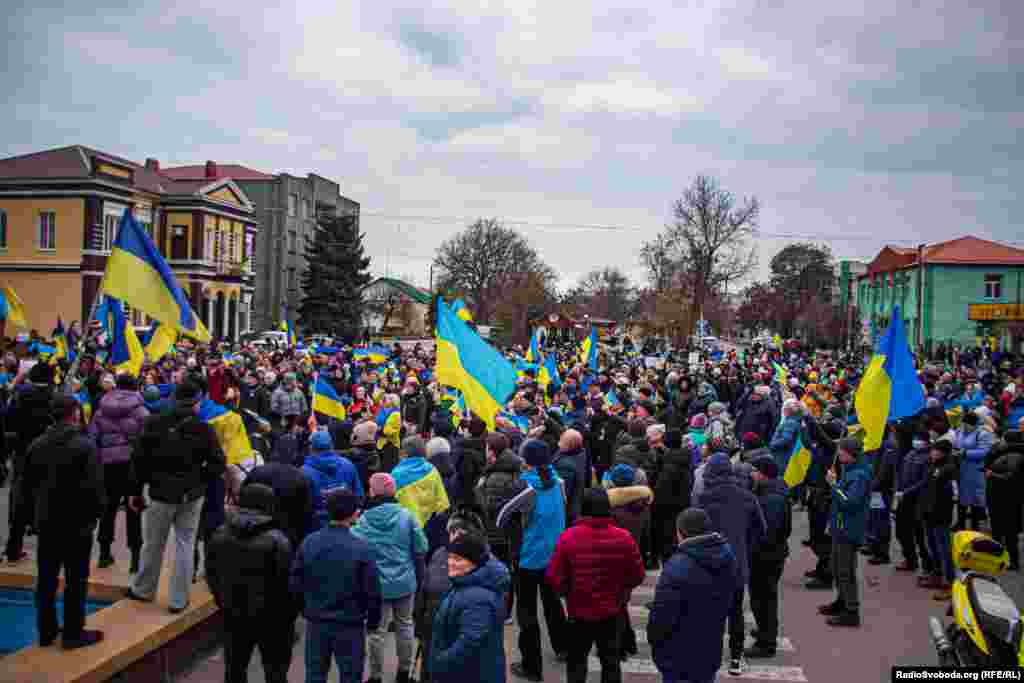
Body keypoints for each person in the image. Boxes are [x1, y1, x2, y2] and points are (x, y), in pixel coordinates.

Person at [126, 382, 227, 614]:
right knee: (185, 544)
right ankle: (178, 599)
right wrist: (199, 478)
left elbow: (138, 460)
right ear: (196, 402)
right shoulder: (203, 428)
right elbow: (218, 463)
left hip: (160, 492)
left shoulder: (154, 423)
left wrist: (135, 490)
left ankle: (143, 589)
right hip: (191, 495)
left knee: (153, 543)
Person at [24, 396, 106, 649]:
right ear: (74, 414)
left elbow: (26, 488)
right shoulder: (85, 446)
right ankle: (72, 633)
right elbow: (95, 488)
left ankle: (46, 631)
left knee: (46, 578)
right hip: (77, 524)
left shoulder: (35, 446)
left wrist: (32, 518)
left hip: (47, 522)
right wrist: (95, 516)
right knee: (75, 580)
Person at [546, 488, 645, 683]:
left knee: (576, 662)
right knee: (611, 662)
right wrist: (621, 593)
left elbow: (554, 577)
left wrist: (568, 593)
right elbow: (637, 575)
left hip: (579, 611)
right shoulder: (624, 538)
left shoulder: (568, 537)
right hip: (612, 611)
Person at [205, 483, 295, 683]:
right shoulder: (277, 540)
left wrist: (223, 601)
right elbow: (288, 584)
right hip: (272, 618)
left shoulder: (220, 534)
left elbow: (211, 574)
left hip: (233, 613)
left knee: (235, 668)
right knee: (275, 672)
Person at [291, 488, 382, 683]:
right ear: (353, 514)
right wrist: (373, 621)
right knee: (351, 675)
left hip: (317, 622)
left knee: (315, 674)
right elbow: (372, 591)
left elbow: (296, 583)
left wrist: (305, 609)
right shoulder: (362, 548)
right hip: (350, 623)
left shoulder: (309, 542)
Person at [496, 439, 568, 682]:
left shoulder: (527, 487)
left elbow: (500, 518)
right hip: (554, 554)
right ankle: (562, 647)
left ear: (526, 461)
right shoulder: (559, 482)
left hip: (528, 558)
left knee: (527, 615)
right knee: (553, 604)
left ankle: (532, 666)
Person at [647, 508, 740, 683]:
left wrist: (654, 641)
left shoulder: (676, 567)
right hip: (710, 646)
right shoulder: (727, 556)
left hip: (678, 654)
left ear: (681, 533)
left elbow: (661, 619)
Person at [352, 473, 428, 683]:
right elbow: (422, 546)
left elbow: (356, 549)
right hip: (405, 582)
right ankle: (404, 673)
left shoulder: (363, 520)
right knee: (405, 625)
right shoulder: (406, 515)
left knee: (376, 631)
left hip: (376, 586)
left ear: (372, 491)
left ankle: (376, 676)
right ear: (394, 491)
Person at [696, 452, 765, 674]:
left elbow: (694, 531)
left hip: (709, 564)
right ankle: (735, 658)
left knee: (710, 613)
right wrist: (745, 546)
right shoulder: (747, 497)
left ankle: (709, 656)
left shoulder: (704, 497)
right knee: (736, 612)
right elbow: (760, 530)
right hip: (737, 562)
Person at [429, 531, 511, 683]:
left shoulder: (478, 599)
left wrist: (441, 662)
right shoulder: (464, 582)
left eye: (458, 559)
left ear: (475, 563)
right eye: (451, 557)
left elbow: (470, 642)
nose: (451, 563)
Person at [88, 372, 149, 571]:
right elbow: (147, 441)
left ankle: (104, 554)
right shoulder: (141, 411)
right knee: (134, 509)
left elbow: (93, 439)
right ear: (134, 388)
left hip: (108, 466)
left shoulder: (100, 410)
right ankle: (135, 559)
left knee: (108, 509)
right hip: (132, 466)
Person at [4, 361, 56, 563]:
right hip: (47, 455)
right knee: (46, 501)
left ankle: (13, 549)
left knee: (19, 500)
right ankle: (47, 554)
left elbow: (8, 418)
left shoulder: (20, 395)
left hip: (22, 453)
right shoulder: (54, 396)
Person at [818, 438, 871, 627]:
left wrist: (833, 485)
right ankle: (841, 602)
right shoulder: (849, 470)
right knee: (837, 568)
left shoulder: (860, 476)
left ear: (852, 454)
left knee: (845, 571)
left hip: (849, 529)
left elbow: (849, 502)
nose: (838, 455)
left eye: (842, 452)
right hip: (840, 527)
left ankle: (851, 611)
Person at [745, 455, 792, 658]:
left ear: (763, 474)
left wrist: (753, 546)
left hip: (766, 556)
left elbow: (768, 532)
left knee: (763, 598)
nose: (751, 474)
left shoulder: (771, 498)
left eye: (754, 470)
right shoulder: (772, 491)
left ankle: (766, 642)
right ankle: (765, 630)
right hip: (771, 553)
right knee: (764, 597)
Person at [918, 440, 958, 600]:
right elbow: (926, 486)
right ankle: (937, 574)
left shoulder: (949, 469)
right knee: (932, 545)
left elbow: (950, 495)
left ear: (943, 453)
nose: (931, 453)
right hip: (929, 512)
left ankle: (950, 583)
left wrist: (941, 512)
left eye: (935, 451)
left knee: (944, 549)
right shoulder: (932, 465)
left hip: (940, 515)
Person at [301, 430, 364, 533]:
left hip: (316, 529)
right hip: (346, 526)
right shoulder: (348, 465)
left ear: (311, 448)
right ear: (332, 446)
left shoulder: (304, 472)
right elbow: (359, 496)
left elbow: (302, 507)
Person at [244, 458, 314, 550]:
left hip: (258, 531)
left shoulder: (257, 471)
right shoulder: (300, 475)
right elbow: (306, 511)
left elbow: (244, 495)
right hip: (290, 529)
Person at [893, 431, 935, 575]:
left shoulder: (928, 457)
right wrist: (899, 489)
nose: (916, 441)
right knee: (901, 531)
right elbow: (900, 473)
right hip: (903, 499)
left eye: (919, 439)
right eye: (915, 438)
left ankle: (928, 565)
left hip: (917, 501)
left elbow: (924, 481)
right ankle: (910, 559)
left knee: (920, 535)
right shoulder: (910, 454)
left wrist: (906, 491)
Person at [984, 428, 1023, 571]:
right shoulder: (1007, 453)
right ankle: (1005, 559)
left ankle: (1008, 560)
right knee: (1004, 531)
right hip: (1005, 498)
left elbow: (1010, 477)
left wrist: (991, 474)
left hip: (1004, 498)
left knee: (1005, 532)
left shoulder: (1014, 456)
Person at [952, 411, 993, 530]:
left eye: (966, 424)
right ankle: (960, 524)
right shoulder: (960, 431)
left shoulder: (983, 434)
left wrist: (965, 453)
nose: (964, 426)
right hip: (960, 469)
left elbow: (984, 452)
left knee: (975, 500)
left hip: (975, 471)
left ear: (974, 424)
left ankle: (975, 527)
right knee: (961, 498)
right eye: (963, 423)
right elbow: (955, 443)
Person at [552, 429, 587, 524]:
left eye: (562, 440)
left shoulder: (566, 466)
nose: (559, 443)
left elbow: (563, 492)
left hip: (566, 510)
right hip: (576, 504)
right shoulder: (580, 452)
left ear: (568, 446)